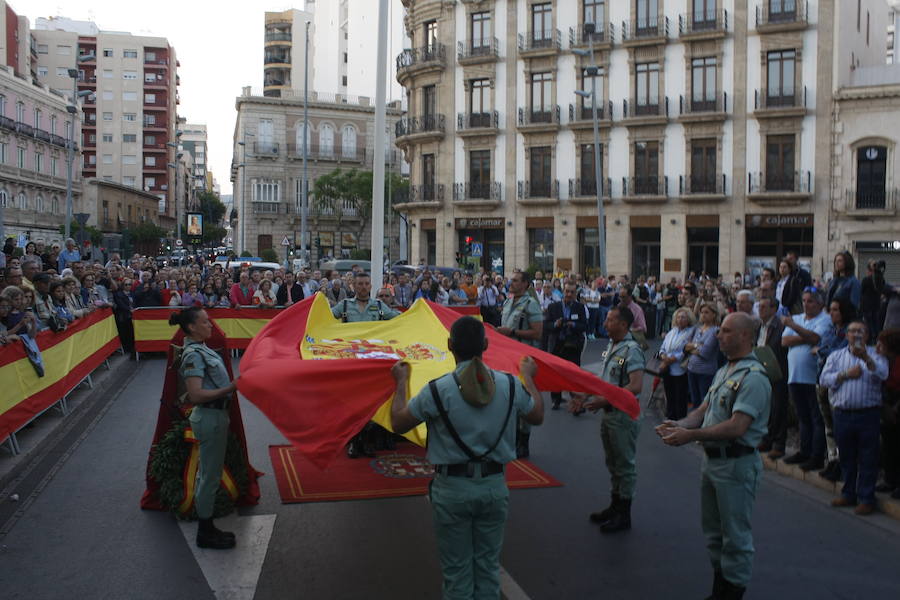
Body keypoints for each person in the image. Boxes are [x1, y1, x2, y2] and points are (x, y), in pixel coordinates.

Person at [388, 316, 543, 599]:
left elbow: (399, 423)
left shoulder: (437, 389)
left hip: (452, 489)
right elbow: (537, 415)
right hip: (494, 486)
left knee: (457, 573)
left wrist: (401, 382)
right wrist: (529, 377)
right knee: (487, 569)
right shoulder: (510, 385)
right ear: (485, 344)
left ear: (449, 346)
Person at [656, 312, 771, 600]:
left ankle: (732, 592)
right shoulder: (725, 371)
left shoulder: (753, 377)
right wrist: (679, 424)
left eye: (726, 331)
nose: (718, 336)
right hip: (714, 463)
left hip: (736, 464)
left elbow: (737, 426)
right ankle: (720, 588)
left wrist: (691, 436)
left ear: (745, 336)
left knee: (736, 537)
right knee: (714, 533)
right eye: (719, 331)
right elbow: (703, 409)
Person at [170, 307, 239, 550]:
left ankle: (207, 527)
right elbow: (196, 395)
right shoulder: (194, 355)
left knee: (208, 473)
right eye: (206, 322)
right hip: (209, 417)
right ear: (192, 328)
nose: (211, 325)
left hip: (215, 416)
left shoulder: (201, 349)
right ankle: (205, 532)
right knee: (209, 476)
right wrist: (231, 388)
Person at [572, 306, 644, 533]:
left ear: (623, 324)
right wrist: (585, 395)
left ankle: (624, 513)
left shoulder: (632, 350)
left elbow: (635, 386)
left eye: (610, 320)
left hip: (623, 415)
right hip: (610, 415)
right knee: (613, 463)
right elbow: (605, 381)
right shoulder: (613, 346)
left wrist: (604, 401)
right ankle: (615, 506)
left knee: (624, 465)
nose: (604, 324)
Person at [820, 321, 889, 515]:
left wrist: (866, 358)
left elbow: (883, 374)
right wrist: (845, 375)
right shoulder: (836, 356)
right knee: (847, 456)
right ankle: (848, 492)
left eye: (860, 331)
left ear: (867, 335)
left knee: (868, 457)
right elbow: (824, 379)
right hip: (842, 413)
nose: (856, 334)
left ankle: (866, 497)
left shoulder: (876, 355)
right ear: (846, 335)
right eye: (852, 331)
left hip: (868, 413)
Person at [333, 271, 400, 457]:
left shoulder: (378, 306)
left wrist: (418, 312)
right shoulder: (344, 305)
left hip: (373, 363)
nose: (363, 287)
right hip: (351, 363)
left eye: (366, 284)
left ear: (371, 286)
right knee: (353, 403)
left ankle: (369, 440)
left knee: (374, 402)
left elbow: (400, 320)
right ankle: (354, 441)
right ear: (353, 286)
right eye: (360, 284)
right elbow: (324, 319)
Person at [781, 289, 832, 471]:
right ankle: (804, 450)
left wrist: (794, 328)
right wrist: (804, 336)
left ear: (819, 303)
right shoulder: (798, 318)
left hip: (813, 376)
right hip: (795, 375)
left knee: (816, 417)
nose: (806, 304)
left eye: (810, 301)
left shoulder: (824, 319)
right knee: (803, 416)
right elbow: (785, 341)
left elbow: (815, 338)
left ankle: (816, 455)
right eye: (804, 300)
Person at [496, 271, 543, 457]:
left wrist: (513, 332)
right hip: (507, 356)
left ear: (525, 284)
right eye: (511, 280)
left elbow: (538, 332)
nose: (511, 283)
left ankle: (524, 440)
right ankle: (512, 438)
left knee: (524, 397)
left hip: (524, 357)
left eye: (515, 281)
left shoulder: (531, 304)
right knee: (509, 396)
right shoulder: (507, 302)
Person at [756, 297, 790, 460]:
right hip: (763, 369)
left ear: (774, 308)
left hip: (779, 371)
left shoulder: (780, 326)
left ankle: (779, 443)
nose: (760, 310)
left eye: (764, 306)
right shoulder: (759, 326)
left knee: (779, 408)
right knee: (766, 407)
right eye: (759, 306)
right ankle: (767, 438)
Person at [547, 283, 587, 411]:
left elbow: (585, 326)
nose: (569, 294)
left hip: (573, 345)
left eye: (572, 292)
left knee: (574, 374)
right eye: (567, 291)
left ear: (576, 294)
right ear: (562, 291)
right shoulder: (553, 307)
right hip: (557, 344)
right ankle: (555, 399)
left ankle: (576, 401)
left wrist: (573, 325)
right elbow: (546, 325)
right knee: (554, 373)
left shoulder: (580, 307)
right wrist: (555, 324)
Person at [658, 307, 696, 420]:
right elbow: (663, 347)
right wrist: (664, 356)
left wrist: (674, 358)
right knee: (669, 397)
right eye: (678, 317)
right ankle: (670, 419)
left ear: (688, 319)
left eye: (683, 317)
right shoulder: (672, 331)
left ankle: (680, 421)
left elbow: (687, 350)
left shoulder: (691, 332)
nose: (680, 319)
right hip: (667, 368)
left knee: (680, 398)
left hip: (680, 369)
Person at [685, 303, 721, 410]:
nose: (703, 315)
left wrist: (693, 347)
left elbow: (705, 352)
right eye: (702, 312)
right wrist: (697, 345)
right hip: (692, 369)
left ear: (714, 315)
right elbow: (685, 346)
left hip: (705, 372)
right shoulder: (697, 329)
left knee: (703, 402)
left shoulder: (715, 331)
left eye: (707, 312)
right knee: (694, 400)